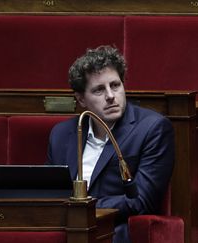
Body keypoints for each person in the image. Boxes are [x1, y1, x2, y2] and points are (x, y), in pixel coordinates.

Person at [46, 45, 175, 243]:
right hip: (64, 230)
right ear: (81, 99)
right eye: (99, 90)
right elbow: (50, 195)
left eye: (115, 85)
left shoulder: (152, 128)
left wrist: (84, 207)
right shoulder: (61, 135)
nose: (110, 96)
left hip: (113, 232)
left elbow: (142, 201)